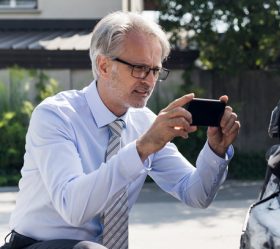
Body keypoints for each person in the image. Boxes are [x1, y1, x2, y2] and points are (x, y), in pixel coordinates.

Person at [1, 11, 240, 249]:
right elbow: (72, 208)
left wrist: (215, 151)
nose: (148, 81)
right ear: (104, 66)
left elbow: (196, 194)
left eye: (155, 70)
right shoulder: (56, 115)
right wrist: (141, 149)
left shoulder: (144, 123)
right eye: (138, 68)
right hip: (35, 245)